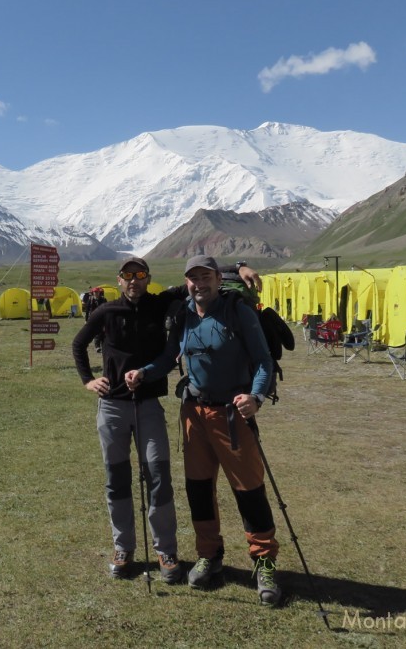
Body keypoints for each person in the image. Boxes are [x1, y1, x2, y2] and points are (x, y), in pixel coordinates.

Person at [72, 257, 261, 584]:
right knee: (116, 479)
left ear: (148, 278)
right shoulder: (105, 312)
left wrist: (240, 266)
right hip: (112, 407)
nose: (134, 280)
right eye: (128, 275)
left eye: (140, 274)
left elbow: (206, 281)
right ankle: (123, 548)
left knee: (158, 477)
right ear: (119, 280)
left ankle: (166, 551)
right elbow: (78, 344)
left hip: (148, 405)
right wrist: (88, 379)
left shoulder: (162, 303)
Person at [125, 255, 281, 605]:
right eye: (193, 278)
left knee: (249, 489)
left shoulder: (236, 311)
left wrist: (255, 396)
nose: (200, 283)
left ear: (217, 279)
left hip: (233, 414)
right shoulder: (182, 314)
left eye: (206, 276)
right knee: (198, 489)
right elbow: (169, 357)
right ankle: (210, 555)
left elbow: (262, 361)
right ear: (187, 281)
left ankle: (264, 561)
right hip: (193, 413)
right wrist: (145, 372)